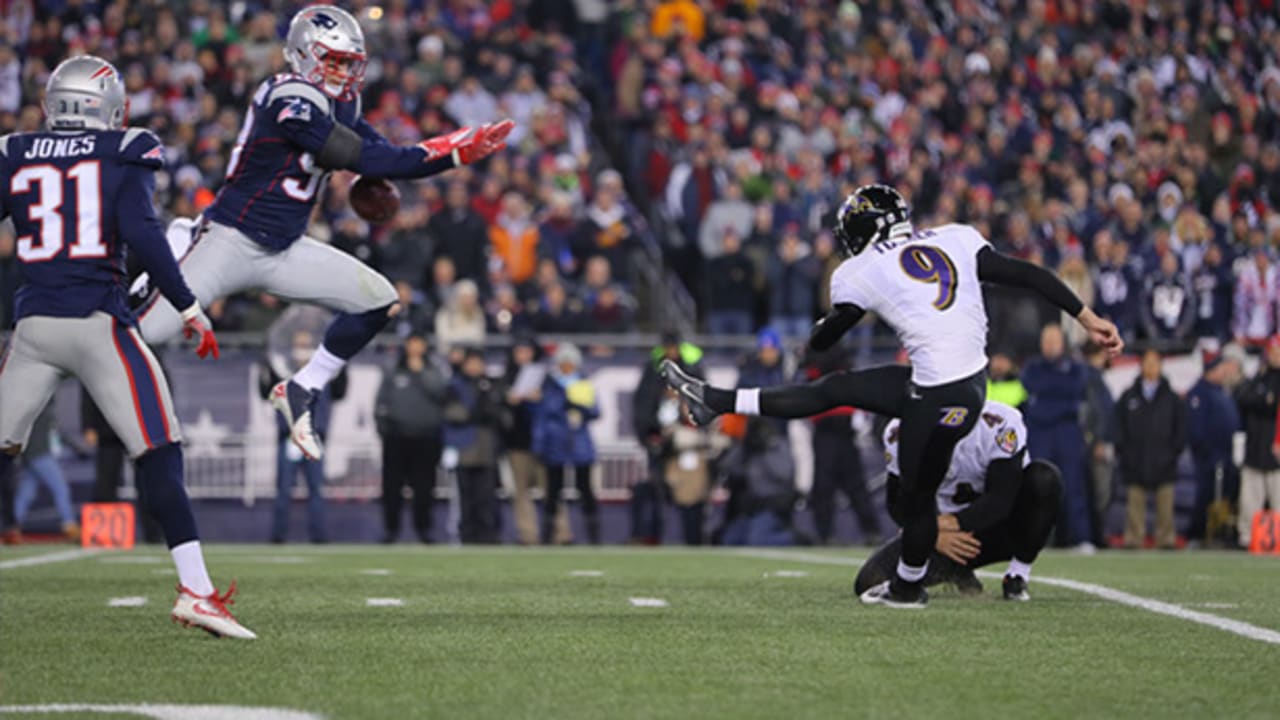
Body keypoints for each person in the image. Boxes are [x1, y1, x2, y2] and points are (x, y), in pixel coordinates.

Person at [664, 184, 1120, 608]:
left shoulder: (861, 268)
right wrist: (1086, 316)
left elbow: (825, 342)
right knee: (837, 389)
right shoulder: (955, 237)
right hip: (964, 383)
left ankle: (907, 589)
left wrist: (822, 328)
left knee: (916, 493)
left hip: (937, 394)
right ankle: (717, 401)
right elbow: (1027, 274)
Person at [136, 5, 514, 463]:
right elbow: (372, 161)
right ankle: (163, 253)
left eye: (349, 63)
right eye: (333, 60)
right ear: (302, 54)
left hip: (283, 248)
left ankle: (301, 388)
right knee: (144, 336)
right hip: (229, 240)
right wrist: (450, 153)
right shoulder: (286, 97)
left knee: (379, 300)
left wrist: (436, 153)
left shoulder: (341, 102)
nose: (343, 72)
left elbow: (382, 151)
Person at [0, 56, 252, 638]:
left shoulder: (14, 151)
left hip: (34, 328)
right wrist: (188, 305)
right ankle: (195, 590)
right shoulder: (127, 149)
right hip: (98, 325)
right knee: (160, 449)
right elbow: (142, 232)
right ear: (104, 106)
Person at [854, 400, 1062, 602]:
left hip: (1000, 528)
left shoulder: (1000, 422)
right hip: (945, 537)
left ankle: (1017, 576)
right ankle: (958, 570)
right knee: (870, 581)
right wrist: (931, 536)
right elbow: (897, 503)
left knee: (1044, 478)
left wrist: (932, 527)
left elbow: (1000, 500)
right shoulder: (900, 432)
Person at [258, 329, 347, 544]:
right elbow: (264, 392)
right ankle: (278, 536)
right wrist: (267, 364)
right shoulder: (282, 373)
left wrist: (341, 366)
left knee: (316, 489)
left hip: (313, 435)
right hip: (288, 436)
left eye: (307, 344)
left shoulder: (322, 374)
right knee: (283, 489)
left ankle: (319, 536)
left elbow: (340, 391)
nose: (302, 349)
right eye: (299, 344)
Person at [1021, 324, 1092, 551]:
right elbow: (1033, 385)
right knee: (1038, 488)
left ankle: (1079, 538)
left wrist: (1045, 402)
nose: (1050, 345)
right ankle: (1035, 539)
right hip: (1040, 434)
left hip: (1067, 435)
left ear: (1063, 343)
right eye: (1046, 340)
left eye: (1054, 340)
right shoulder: (1032, 367)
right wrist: (1060, 403)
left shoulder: (1076, 368)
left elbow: (1075, 388)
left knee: (1073, 487)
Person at [801, 346, 882, 545]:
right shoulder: (821, 361)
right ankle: (826, 533)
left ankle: (868, 531)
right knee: (827, 486)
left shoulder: (831, 360)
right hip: (827, 430)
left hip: (841, 432)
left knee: (852, 486)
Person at [631, 332, 704, 544]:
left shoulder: (692, 369)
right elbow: (643, 405)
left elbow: (703, 403)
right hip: (659, 440)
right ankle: (654, 537)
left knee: (689, 493)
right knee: (657, 490)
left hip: (686, 444)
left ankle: (693, 539)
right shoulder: (653, 370)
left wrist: (683, 402)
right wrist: (648, 437)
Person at [374, 333, 447, 543]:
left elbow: (440, 394)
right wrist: (384, 429)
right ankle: (391, 529)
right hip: (396, 437)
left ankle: (424, 529)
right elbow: (380, 402)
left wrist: (421, 373)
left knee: (424, 488)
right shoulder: (393, 369)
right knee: (391, 488)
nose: (415, 348)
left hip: (426, 437)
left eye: (419, 344)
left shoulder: (434, 370)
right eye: (411, 344)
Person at [1115, 349, 1188, 549]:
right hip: (1135, 458)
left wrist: (1173, 453)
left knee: (1165, 506)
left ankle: (1166, 539)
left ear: (1161, 366)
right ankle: (1133, 538)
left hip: (1164, 459)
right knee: (1134, 505)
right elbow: (1119, 427)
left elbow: (1180, 429)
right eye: (1147, 362)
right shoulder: (1129, 396)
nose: (1151, 367)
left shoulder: (1172, 398)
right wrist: (1124, 452)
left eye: (1154, 363)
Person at [500, 334, 569, 545]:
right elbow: (497, 407)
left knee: (552, 489)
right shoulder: (507, 377)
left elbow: (561, 404)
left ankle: (561, 533)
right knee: (521, 491)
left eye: (526, 350)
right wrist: (509, 400)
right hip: (517, 442)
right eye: (519, 351)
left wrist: (541, 399)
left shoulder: (546, 378)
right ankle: (528, 535)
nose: (522, 355)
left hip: (545, 443)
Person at [532, 343, 600, 544]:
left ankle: (594, 537)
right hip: (556, 443)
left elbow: (595, 411)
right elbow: (543, 415)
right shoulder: (550, 385)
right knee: (553, 490)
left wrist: (579, 407)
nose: (568, 367)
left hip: (579, 442)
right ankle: (548, 535)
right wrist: (540, 444)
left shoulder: (583, 384)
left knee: (584, 488)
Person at [443, 348, 503, 544]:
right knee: (465, 495)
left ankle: (488, 534)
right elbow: (453, 413)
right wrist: (476, 411)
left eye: (478, 362)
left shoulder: (491, 385)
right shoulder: (455, 385)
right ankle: (467, 534)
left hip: (486, 447)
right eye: (471, 362)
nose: (475, 367)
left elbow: (498, 413)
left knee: (486, 495)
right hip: (464, 447)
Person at [1186, 355, 1241, 545]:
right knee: (1206, 495)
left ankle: (1218, 533)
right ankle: (1197, 534)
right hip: (1209, 456)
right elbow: (1196, 428)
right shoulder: (1200, 392)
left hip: (1226, 454)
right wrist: (1207, 452)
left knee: (1224, 497)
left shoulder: (1221, 391)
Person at [12, 405, 78, 540]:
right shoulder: (36, 409)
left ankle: (11, 526)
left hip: (32, 455)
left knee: (26, 493)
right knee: (60, 488)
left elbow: (56, 432)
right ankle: (69, 524)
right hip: (40, 455)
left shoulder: (37, 408)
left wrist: (77, 448)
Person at [1239, 335, 1280, 548]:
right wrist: (1264, 400)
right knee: (1250, 499)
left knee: (1278, 497)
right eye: (1273, 351)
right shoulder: (1259, 376)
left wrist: (1263, 401)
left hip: (1276, 447)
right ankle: (1248, 538)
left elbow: (1270, 404)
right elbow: (1244, 397)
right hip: (1256, 445)